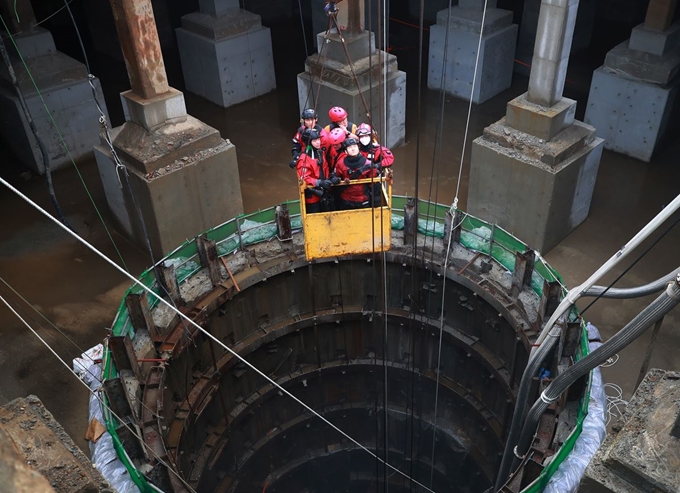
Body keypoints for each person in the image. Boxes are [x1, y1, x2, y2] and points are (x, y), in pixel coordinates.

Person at [296, 128, 339, 213]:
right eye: (315, 140)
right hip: (313, 198)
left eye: (318, 139)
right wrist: (320, 183)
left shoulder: (320, 153)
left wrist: (331, 177)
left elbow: (325, 168)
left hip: (324, 192)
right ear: (308, 142)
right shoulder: (303, 159)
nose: (318, 142)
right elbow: (304, 178)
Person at [334, 138, 380, 209]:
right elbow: (336, 175)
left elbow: (373, 184)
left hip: (363, 199)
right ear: (345, 151)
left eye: (354, 146)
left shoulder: (368, 164)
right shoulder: (340, 164)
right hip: (346, 200)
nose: (353, 149)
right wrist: (336, 179)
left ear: (358, 148)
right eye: (350, 147)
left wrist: (375, 199)